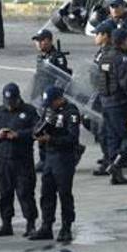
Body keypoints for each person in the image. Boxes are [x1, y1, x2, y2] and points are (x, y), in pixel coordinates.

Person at [0, 83, 40, 237]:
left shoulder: (29, 111)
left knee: (25, 192)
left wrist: (18, 135)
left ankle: (30, 224)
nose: (10, 105)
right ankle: (6, 224)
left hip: (23, 160)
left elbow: (37, 130)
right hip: (4, 161)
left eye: (12, 102)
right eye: (7, 102)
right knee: (5, 193)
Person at [89, 25, 127, 183]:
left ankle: (115, 173)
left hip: (106, 103)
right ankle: (116, 165)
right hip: (121, 105)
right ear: (123, 41)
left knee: (112, 139)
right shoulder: (123, 59)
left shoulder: (104, 57)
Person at [35, 86, 81, 243]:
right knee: (46, 193)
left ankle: (66, 227)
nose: (49, 106)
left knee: (64, 194)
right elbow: (38, 125)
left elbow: (72, 138)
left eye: (51, 102)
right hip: (49, 157)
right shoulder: (48, 111)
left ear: (59, 99)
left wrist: (52, 139)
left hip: (64, 158)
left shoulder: (71, 112)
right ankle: (46, 226)